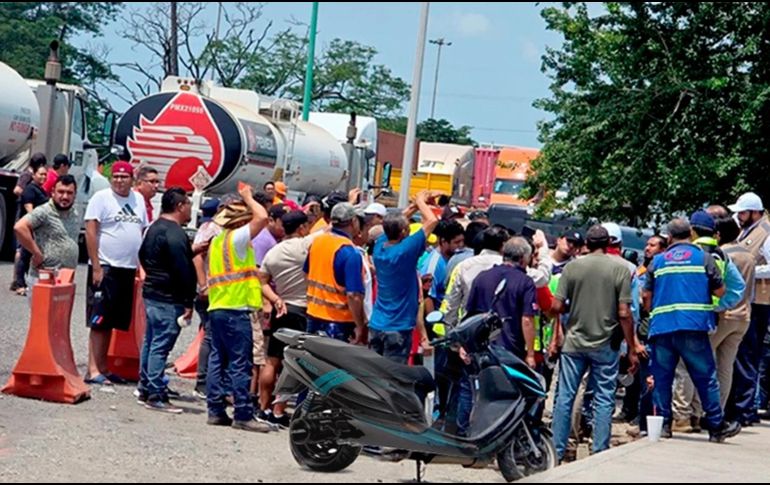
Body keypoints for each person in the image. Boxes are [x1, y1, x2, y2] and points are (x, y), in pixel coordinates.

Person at [643, 218, 741, 443]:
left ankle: (664, 425)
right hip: (694, 327)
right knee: (705, 377)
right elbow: (720, 290)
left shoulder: (657, 261)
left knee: (662, 377)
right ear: (691, 234)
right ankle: (716, 427)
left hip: (662, 328)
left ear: (669, 238)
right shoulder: (704, 258)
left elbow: (646, 297)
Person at [550, 225, 639, 461]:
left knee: (565, 396)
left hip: (574, 343)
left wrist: (574, 306)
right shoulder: (621, 269)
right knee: (603, 397)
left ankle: (557, 451)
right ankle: (599, 451)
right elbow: (624, 312)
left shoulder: (572, 267)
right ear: (608, 242)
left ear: (586, 243)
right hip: (606, 343)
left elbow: (557, 307)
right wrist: (631, 346)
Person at [206, 184, 271, 432]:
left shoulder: (217, 240)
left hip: (218, 306)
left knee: (217, 360)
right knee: (239, 363)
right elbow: (263, 217)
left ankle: (215, 410)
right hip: (236, 309)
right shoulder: (238, 238)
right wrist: (248, 197)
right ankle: (243, 413)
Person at [84, 161, 149, 385]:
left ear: (132, 179)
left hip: (127, 268)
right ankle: (92, 370)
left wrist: (141, 267)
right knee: (99, 320)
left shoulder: (138, 199)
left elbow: (140, 231)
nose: (119, 180)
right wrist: (96, 266)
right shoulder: (101, 198)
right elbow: (91, 232)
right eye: (116, 177)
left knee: (113, 321)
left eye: (124, 177)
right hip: (106, 266)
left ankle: (104, 367)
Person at [137, 188, 201, 413]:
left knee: (151, 340)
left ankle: (145, 385)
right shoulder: (175, 233)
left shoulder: (154, 228)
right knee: (160, 344)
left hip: (153, 292)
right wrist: (188, 301)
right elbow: (182, 269)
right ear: (180, 206)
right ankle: (155, 391)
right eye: (189, 205)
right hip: (169, 297)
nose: (190, 210)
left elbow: (145, 255)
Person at [257, 211, 321, 427]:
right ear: (302, 228)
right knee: (292, 364)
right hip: (302, 309)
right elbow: (331, 230)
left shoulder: (273, 252)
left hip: (281, 308)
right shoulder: (305, 245)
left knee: (272, 360)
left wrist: (275, 299)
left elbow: (262, 280)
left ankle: (263, 407)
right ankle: (278, 411)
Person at [369, 191, 439, 363]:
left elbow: (394, 222)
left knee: (373, 376)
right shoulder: (405, 251)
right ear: (402, 232)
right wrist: (421, 201)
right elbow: (432, 221)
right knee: (393, 379)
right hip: (398, 327)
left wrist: (415, 205)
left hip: (377, 324)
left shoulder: (379, 247)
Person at [725, 192, 770, 426]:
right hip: (747, 300)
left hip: (760, 302)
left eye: (742, 212)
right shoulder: (747, 230)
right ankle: (739, 407)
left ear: (754, 212)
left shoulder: (767, 232)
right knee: (740, 356)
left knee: (749, 357)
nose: (739, 216)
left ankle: (746, 409)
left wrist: (750, 269)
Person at [304, 202, 367, 344]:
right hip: (338, 322)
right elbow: (354, 296)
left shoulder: (317, 242)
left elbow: (306, 274)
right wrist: (359, 325)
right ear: (353, 221)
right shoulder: (350, 252)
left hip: (313, 315)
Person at [14, 175, 79, 298]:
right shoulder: (44, 211)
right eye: (61, 192)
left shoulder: (74, 213)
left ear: (75, 194)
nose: (65, 196)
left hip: (65, 279)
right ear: (53, 192)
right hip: (44, 279)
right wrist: (36, 253)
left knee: (61, 317)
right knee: (42, 317)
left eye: (69, 193)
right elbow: (20, 227)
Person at [191, 198, 223, 399]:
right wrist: (203, 285)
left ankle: (209, 379)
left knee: (211, 335)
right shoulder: (212, 229)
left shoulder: (208, 227)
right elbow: (197, 255)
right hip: (209, 291)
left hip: (216, 290)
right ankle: (202, 381)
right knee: (210, 336)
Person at [10, 153, 46, 293]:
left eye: (45, 175)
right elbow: (21, 195)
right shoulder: (29, 184)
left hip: (33, 225)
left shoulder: (39, 187)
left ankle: (21, 281)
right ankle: (18, 282)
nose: (43, 177)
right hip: (27, 224)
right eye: (41, 174)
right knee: (23, 253)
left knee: (26, 253)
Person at [419, 220, 465, 313]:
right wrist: (433, 324)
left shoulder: (456, 257)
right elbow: (428, 297)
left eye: (462, 241)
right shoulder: (433, 265)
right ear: (444, 242)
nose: (461, 245)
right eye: (457, 242)